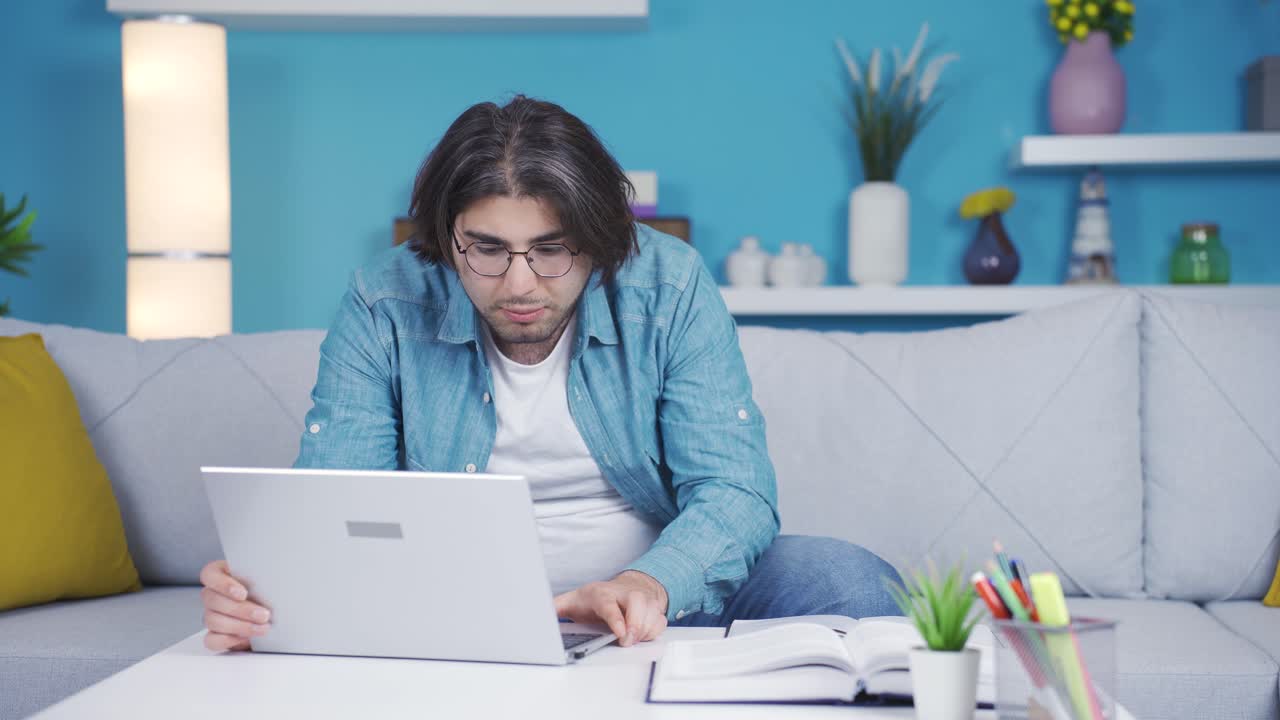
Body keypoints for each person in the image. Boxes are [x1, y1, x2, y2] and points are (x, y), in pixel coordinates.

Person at [198, 95, 901, 653]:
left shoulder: (669, 283)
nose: (519, 284)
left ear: (598, 240)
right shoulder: (385, 299)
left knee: (850, 580)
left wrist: (645, 583)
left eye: (552, 249)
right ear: (446, 237)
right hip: (453, 606)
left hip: (657, 599)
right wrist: (263, 595)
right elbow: (338, 505)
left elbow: (734, 490)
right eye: (486, 250)